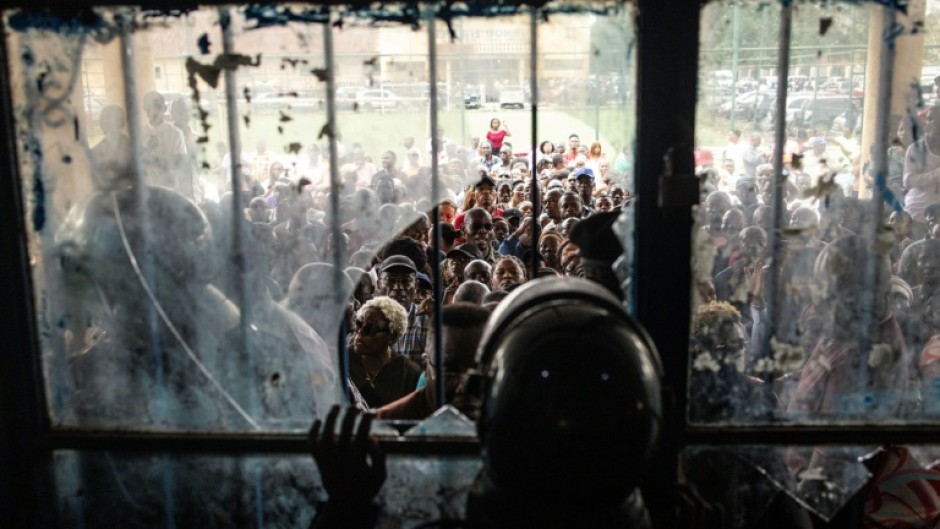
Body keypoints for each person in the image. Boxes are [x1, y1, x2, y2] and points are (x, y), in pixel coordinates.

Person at [348, 296, 421, 408]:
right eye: (358, 324)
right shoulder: (342, 360)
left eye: (370, 329)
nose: (360, 332)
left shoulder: (409, 374)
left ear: (392, 336)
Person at [375, 255, 430, 363]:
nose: (398, 287)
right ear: (379, 285)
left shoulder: (427, 319)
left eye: (406, 281)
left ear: (416, 285)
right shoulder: (365, 319)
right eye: (390, 280)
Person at [904, 104, 940, 237]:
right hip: (918, 215)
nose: (932, 123)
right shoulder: (915, 149)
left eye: (937, 119)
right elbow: (908, 181)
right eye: (929, 119)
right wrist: (936, 174)